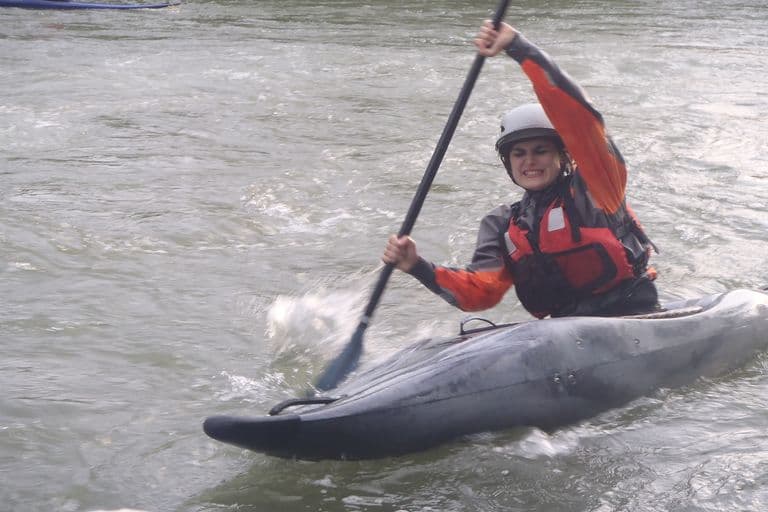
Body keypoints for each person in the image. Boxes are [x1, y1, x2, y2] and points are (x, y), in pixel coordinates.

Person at [382, 20, 659, 319]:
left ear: (563, 157)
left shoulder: (597, 187)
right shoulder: (502, 224)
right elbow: (481, 291)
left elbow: (580, 120)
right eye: (519, 154)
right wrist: (416, 266)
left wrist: (517, 46)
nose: (529, 161)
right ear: (508, 162)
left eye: (541, 151)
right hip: (564, 329)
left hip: (632, 314)